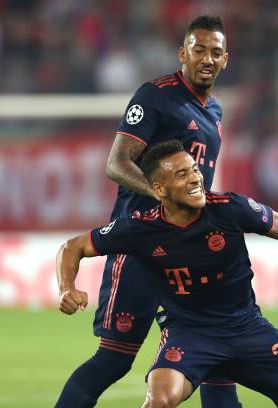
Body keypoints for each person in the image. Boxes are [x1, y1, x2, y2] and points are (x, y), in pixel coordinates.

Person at [57, 141, 278, 407]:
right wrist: (67, 287)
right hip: (188, 335)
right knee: (160, 401)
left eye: (194, 169)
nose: (195, 178)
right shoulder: (140, 228)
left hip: (247, 330)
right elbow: (73, 247)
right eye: (182, 174)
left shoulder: (229, 209)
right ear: (158, 189)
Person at [55, 15, 241, 407]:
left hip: (193, 250)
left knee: (220, 359)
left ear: (226, 60)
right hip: (144, 243)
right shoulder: (155, 96)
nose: (207, 58)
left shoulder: (215, 113)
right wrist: (162, 197)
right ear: (183, 54)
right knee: (113, 360)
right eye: (199, 49)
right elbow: (117, 164)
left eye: (216, 52)